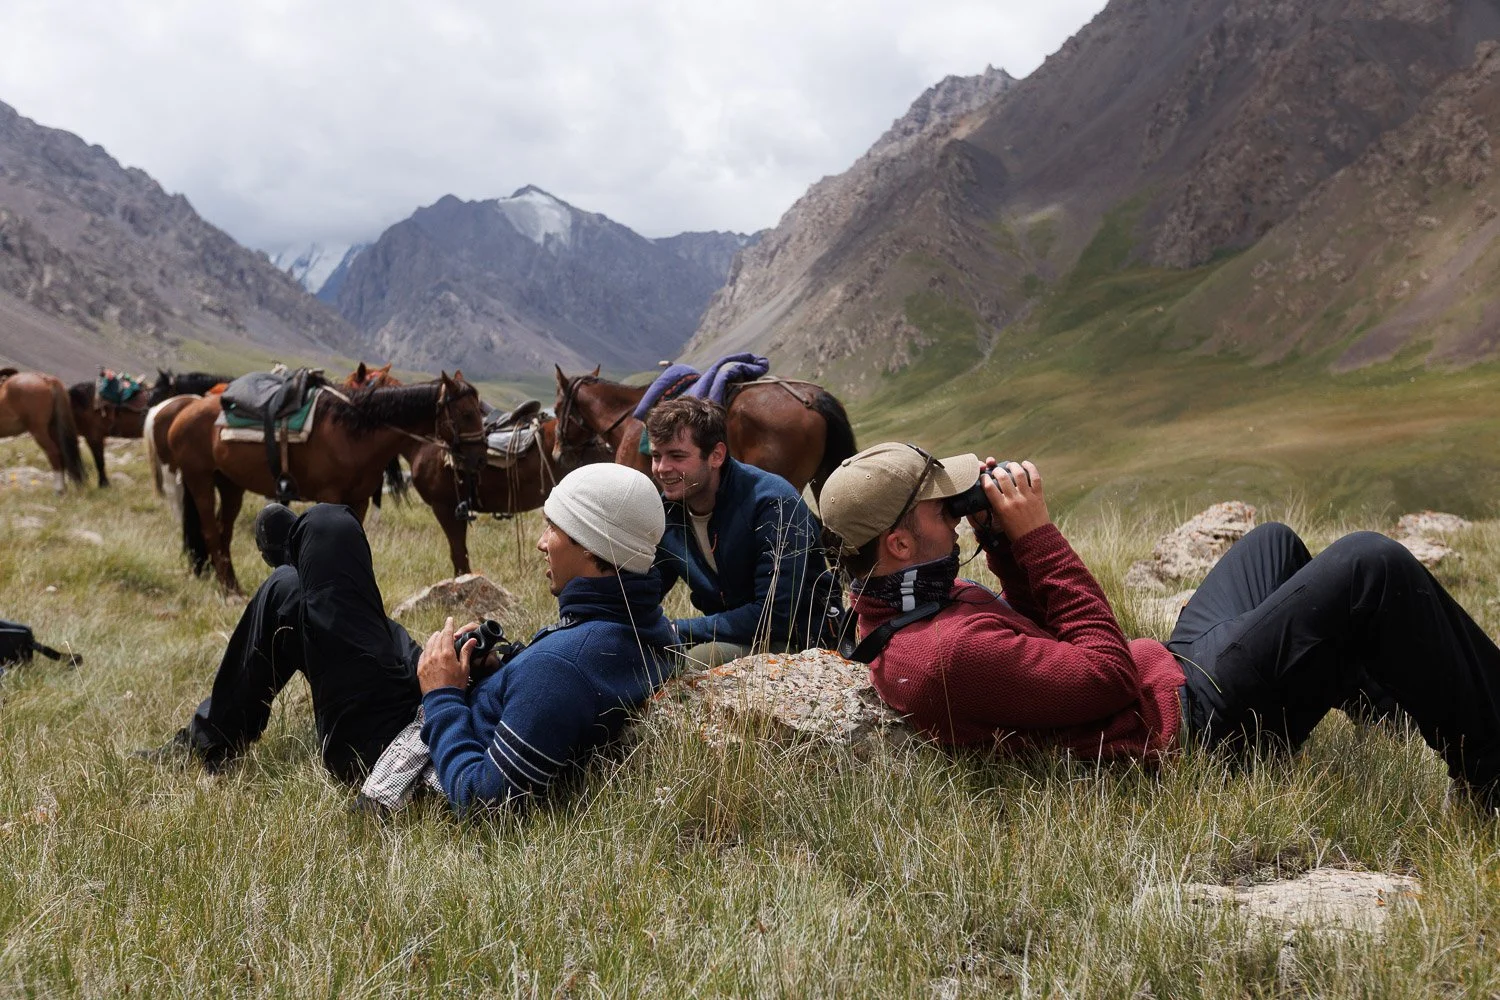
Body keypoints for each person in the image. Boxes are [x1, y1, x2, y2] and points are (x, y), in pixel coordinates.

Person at [818, 442, 1500, 810]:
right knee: (1368, 563)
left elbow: (1036, 641)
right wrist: (1039, 539)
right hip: (1195, 731)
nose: (958, 513)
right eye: (944, 509)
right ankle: (1491, 774)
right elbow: (1104, 672)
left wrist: (999, 544)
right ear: (899, 545)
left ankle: (1397, 718)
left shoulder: (904, 601)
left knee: (1271, 543)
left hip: (1168, 681)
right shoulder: (940, 654)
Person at [142, 463, 676, 813]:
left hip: (392, 744)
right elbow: (537, 697)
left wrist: (442, 692)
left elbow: (481, 801)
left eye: (553, 529)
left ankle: (297, 551)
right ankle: (211, 739)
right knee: (291, 593)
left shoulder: (567, 667)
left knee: (328, 529)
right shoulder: (633, 624)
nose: (540, 543)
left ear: (592, 549)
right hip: (433, 711)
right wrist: (497, 666)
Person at [645, 396, 836, 667]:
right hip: (726, 634)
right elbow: (646, 590)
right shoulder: (668, 512)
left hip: (799, 642)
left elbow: (774, 617)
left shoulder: (773, 503)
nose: (662, 469)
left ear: (716, 455)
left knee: (686, 666)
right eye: (656, 456)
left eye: (677, 456)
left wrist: (678, 630)